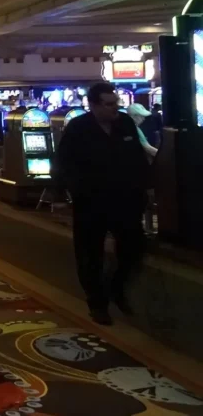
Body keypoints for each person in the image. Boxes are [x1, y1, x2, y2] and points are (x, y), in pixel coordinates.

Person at [56, 82, 150, 325]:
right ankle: (97, 304)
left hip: (125, 200)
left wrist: (143, 191)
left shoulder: (125, 124)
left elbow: (137, 160)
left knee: (133, 247)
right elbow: (65, 164)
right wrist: (75, 191)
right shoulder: (79, 128)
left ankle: (116, 287)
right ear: (94, 105)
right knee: (90, 255)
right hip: (91, 202)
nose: (114, 109)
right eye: (108, 105)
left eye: (115, 103)